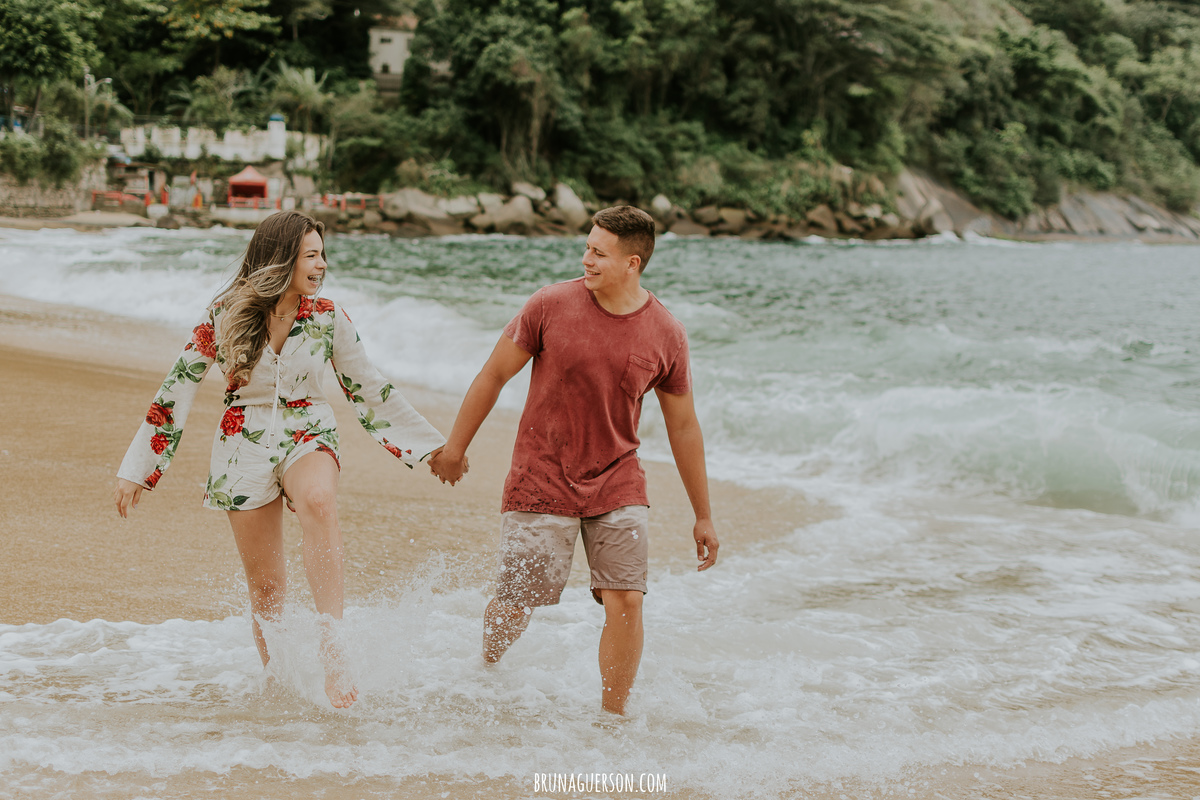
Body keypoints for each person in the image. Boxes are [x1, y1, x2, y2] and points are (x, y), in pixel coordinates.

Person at [113, 210, 446, 709]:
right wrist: (139, 468)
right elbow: (176, 388)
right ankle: (280, 686)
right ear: (282, 258)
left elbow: (368, 387)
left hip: (307, 426)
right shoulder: (224, 313)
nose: (322, 264)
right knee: (267, 588)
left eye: (322, 254)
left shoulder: (328, 316)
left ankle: (333, 646)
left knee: (318, 500)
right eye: (311, 255)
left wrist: (430, 448)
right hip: (241, 439)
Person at [428, 205, 719, 715]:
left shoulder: (666, 333)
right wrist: (455, 448)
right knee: (518, 601)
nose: (585, 259)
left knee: (626, 599)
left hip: (618, 480)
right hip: (541, 476)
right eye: (587, 246)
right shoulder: (550, 304)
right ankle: (488, 668)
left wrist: (704, 514)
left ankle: (613, 717)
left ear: (633, 262)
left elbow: (684, 426)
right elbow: (493, 375)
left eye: (598, 253)